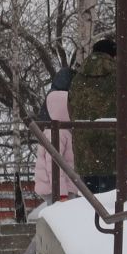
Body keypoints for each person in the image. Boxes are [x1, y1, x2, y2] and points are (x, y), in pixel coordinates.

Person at [67, 37, 127, 194]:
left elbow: (71, 111)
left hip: (85, 150)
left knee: (90, 204)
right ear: (112, 55)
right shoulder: (120, 77)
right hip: (115, 148)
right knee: (115, 202)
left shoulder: (77, 80)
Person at [34, 68, 78, 201]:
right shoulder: (59, 133)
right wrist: (61, 193)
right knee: (60, 218)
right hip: (58, 191)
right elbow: (54, 164)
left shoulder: (58, 130)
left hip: (59, 188)